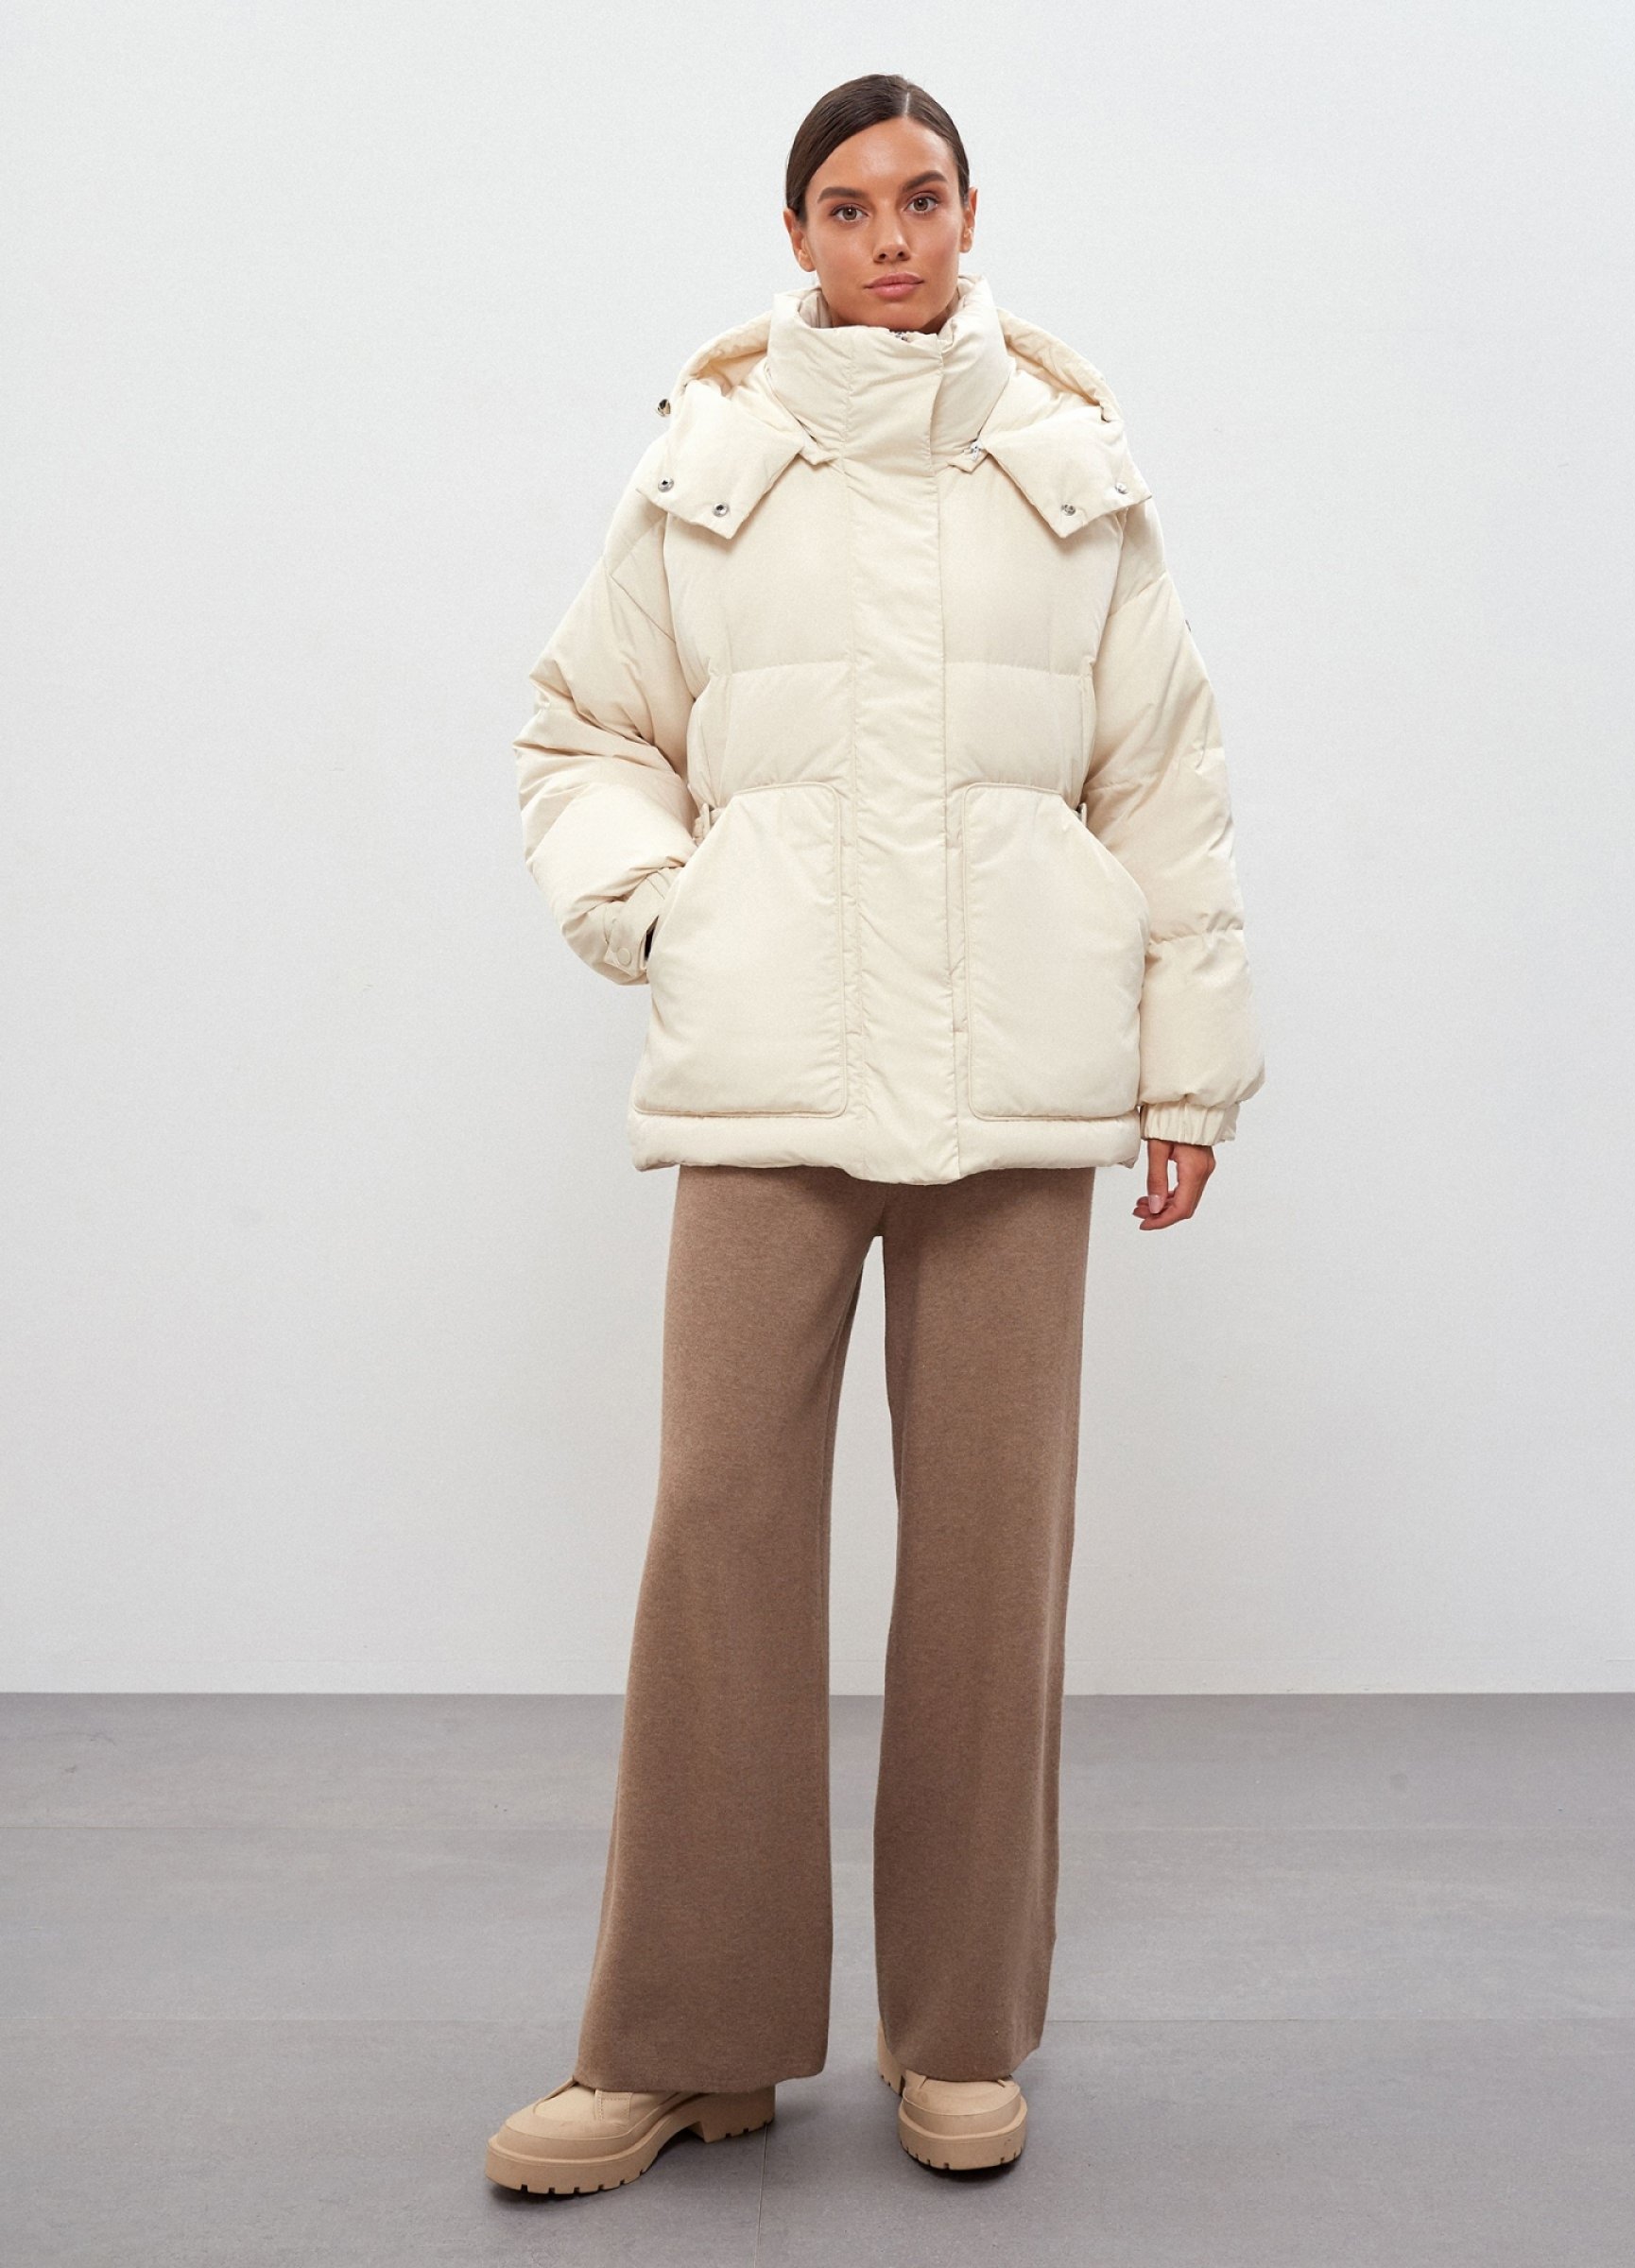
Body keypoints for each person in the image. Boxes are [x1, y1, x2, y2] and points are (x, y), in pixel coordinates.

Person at [484, 71, 1264, 2194]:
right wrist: (666, 911)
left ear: (971, 213)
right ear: (800, 235)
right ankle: (686, 2043)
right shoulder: (711, 459)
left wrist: (1186, 1066)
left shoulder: (1070, 466)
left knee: (996, 1554)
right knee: (718, 1532)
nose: (891, 237)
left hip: (1019, 1072)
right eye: (849, 205)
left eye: (922, 198)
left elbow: (1161, 778)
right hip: (772, 1058)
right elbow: (585, 727)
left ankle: (961, 2034)